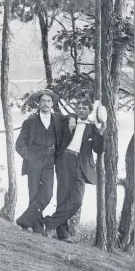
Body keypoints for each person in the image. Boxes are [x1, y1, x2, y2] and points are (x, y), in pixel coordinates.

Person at [42, 99, 105, 243]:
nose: (81, 110)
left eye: (84, 108)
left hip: (81, 165)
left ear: (90, 112)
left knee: (76, 201)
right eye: (79, 108)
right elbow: (60, 116)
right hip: (65, 159)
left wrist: (100, 134)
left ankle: (49, 222)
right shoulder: (69, 121)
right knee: (62, 197)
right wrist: (71, 117)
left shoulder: (93, 128)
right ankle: (63, 234)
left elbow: (98, 149)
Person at [15, 89, 75, 233]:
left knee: (47, 195)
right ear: (38, 103)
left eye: (48, 101)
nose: (46, 104)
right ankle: (37, 227)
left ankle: (23, 220)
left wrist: (72, 118)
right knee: (34, 193)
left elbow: (70, 116)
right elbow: (19, 144)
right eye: (43, 101)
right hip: (33, 160)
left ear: (52, 103)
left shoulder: (57, 118)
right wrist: (29, 158)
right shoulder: (30, 121)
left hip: (49, 161)